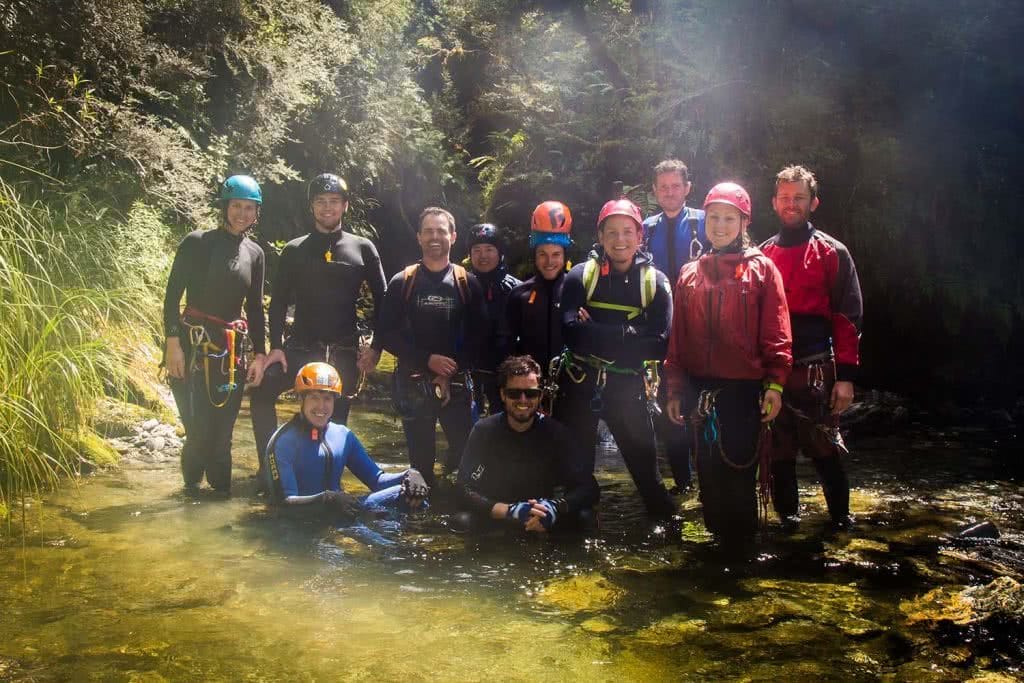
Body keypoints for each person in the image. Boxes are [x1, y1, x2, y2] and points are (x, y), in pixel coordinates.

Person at [664, 182, 793, 546]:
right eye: (714, 217)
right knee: (708, 479)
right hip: (699, 392)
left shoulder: (762, 270)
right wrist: (674, 388)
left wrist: (775, 384)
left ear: (743, 222)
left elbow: (777, 332)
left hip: (742, 394)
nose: (720, 225)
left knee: (738, 478)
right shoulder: (690, 273)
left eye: (729, 218)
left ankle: (741, 561)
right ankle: (716, 560)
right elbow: (678, 339)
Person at [250, 173, 387, 484]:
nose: (328, 207)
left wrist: (376, 347)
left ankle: (327, 478)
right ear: (311, 207)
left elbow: (385, 300)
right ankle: (269, 465)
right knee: (261, 392)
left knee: (334, 421)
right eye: (321, 202)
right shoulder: (295, 250)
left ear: (345, 205)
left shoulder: (362, 248)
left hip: (343, 352)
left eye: (334, 202)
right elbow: (278, 302)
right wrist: (277, 347)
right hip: (300, 347)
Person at [557, 198, 676, 519]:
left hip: (628, 391)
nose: (620, 240)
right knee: (576, 480)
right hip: (581, 389)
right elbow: (569, 333)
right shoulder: (580, 276)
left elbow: (660, 346)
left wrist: (594, 329)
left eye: (627, 232)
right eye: (612, 232)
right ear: (600, 236)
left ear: (640, 237)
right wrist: (632, 331)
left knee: (650, 483)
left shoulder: (655, 283)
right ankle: (577, 546)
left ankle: (671, 548)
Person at [760, 165, 863, 530]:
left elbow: (848, 318)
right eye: (785, 198)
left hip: (817, 369)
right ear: (774, 203)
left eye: (799, 198)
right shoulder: (761, 256)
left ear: (813, 202)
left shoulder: (832, 253)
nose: (792, 204)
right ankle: (788, 523)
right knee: (778, 453)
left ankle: (841, 524)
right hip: (774, 373)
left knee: (825, 449)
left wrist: (846, 378)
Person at [163, 175, 268, 494]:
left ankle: (219, 502)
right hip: (192, 346)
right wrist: (172, 344)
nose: (242, 213)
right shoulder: (198, 242)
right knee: (198, 433)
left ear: (256, 212)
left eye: (249, 208)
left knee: (222, 437)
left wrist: (259, 355)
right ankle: (190, 499)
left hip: (231, 352)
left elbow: (255, 308)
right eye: (236, 206)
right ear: (225, 207)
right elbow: (171, 297)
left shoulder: (255, 253)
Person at [376, 207, 487, 487]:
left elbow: (480, 336)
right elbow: (387, 333)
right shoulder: (404, 281)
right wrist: (427, 360)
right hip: (413, 383)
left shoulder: (466, 282)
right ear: (418, 237)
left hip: (458, 384)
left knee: (466, 459)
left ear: (453, 236)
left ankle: (456, 516)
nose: (434, 237)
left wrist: (450, 369)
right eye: (428, 231)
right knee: (420, 464)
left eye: (441, 231)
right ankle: (420, 524)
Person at [456, 355, 599, 532]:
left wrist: (556, 507)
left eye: (531, 393)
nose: (523, 400)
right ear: (503, 394)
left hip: (544, 515)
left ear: (540, 396)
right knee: (462, 521)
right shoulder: (484, 431)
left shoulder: (557, 433)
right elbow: (463, 488)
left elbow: (589, 488)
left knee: (586, 518)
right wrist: (508, 510)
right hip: (503, 515)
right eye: (514, 393)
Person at [263, 362, 429, 512]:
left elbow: (376, 480)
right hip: (301, 522)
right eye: (314, 397)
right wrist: (326, 499)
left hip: (341, 511)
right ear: (301, 398)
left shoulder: (343, 436)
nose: (321, 406)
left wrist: (409, 475)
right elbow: (283, 504)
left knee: (412, 495)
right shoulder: (283, 441)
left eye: (327, 398)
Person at [643, 160, 709, 494]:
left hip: (700, 330)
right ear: (654, 191)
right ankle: (684, 485)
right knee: (669, 414)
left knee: (701, 407)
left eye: (675, 186)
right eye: (663, 187)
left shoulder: (706, 222)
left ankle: (710, 482)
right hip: (661, 332)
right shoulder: (645, 228)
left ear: (687, 187)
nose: (669, 192)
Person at [502, 201, 573, 402]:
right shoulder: (519, 294)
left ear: (564, 256)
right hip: (530, 389)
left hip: (572, 388)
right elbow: (506, 344)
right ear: (534, 256)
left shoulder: (577, 291)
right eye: (542, 254)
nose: (549, 261)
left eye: (556, 254)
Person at [465, 223, 521, 414]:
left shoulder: (517, 289)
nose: (483, 256)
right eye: (477, 250)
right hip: (470, 372)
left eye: (489, 249)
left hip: (505, 374)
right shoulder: (461, 285)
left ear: (500, 253)